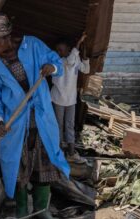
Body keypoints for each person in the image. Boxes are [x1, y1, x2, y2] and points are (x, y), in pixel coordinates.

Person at [0, 13, 70, 219]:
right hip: (15, 125)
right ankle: (21, 211)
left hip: (42, 120)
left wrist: (52, 67)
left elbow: (57, 65)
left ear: (7, 37)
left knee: (44, 164)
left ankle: (42, 210)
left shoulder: (33, 46)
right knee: (17, 169)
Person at [51, 33, 90, 163]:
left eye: (61, 50)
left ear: (68, 49)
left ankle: (71, 152)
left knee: (69, 125)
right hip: (58, 99)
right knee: (59, 125)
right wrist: (78, 45)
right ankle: (60, 151)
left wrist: (84, 57)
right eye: (58, 50)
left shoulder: (74, 58)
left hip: (71, 99)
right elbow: (69, 62)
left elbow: (85, 69)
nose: (59, 52)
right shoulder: (57, 61)